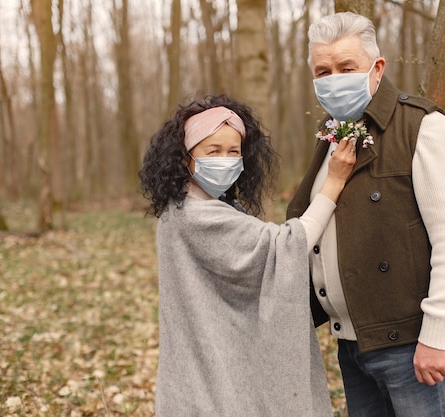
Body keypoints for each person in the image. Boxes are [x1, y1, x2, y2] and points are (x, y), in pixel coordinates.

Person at [286, 12, 445, 417]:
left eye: (346, 67)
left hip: (412, 345)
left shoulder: (424, 129)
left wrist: (438, 335)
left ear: (377, 68)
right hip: (352, 342)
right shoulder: (332, 133)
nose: (332, 79)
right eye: (322, 71)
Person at [138, 94, 356, 416]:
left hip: (205, 368)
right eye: (213, 151)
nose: (225, 160)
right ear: (187, 158)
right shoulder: (196, 216)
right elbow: (286, 244)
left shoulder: (189, 208)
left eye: (233, 151)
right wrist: (334, 183)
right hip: (212, 377)